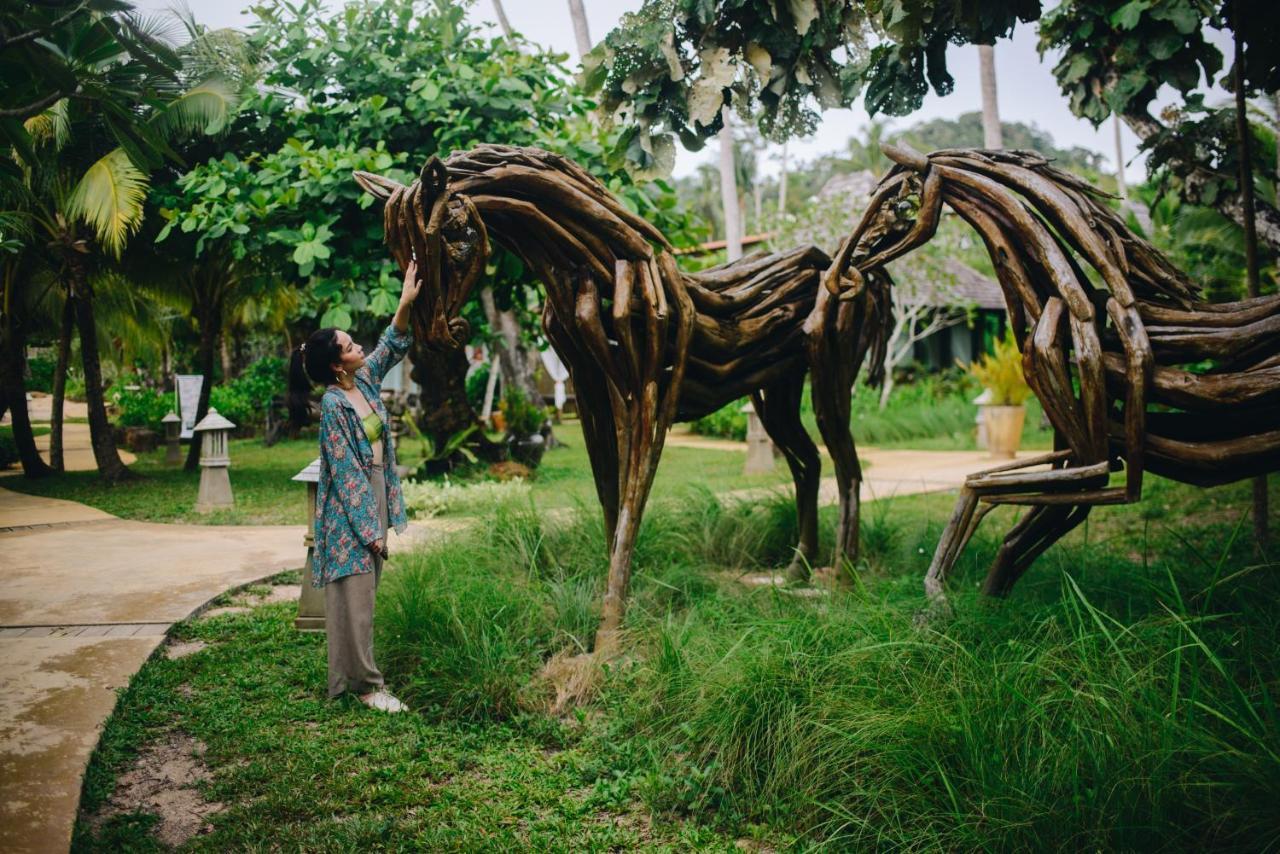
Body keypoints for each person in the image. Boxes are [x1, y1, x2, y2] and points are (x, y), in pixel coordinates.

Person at [287, 260, 420, 713]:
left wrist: (405, 301)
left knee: (362, 594)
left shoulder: (362, 379)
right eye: (349, 344)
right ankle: (368, 686)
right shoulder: (333, 406)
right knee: (355, 597)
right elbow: (344, 476)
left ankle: (350, 679)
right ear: (335, 363)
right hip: (351, 511)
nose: (358, 345)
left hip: (375, 492)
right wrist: (370, 530)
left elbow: (390, 344)